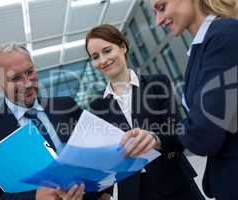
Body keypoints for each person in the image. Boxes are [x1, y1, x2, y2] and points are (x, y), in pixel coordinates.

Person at [0, 43, 99, 200]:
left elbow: (97, 150)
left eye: (29, 72)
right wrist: (33, 197)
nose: (27, 83)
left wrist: (104, 193)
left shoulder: (66, 106)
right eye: (15, 78)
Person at [85, 24, 204, 200]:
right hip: (133, 193)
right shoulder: (97, 107)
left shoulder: (157, 84)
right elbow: (106, 159)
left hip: (175, 183)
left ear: (123, 46)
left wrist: (155, 140)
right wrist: (104, 193)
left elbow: (178, 134)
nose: (102, 60)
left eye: (107, 50)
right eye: (95, 57)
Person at [147, 0, 238, 199]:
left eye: (162, 7)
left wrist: (173, 133)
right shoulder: (202, 48)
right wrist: (157, 138)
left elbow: (203, 134)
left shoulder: (226, 36)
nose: (158, 21)